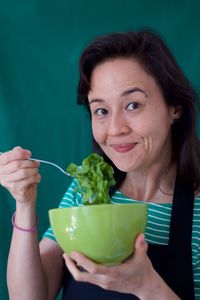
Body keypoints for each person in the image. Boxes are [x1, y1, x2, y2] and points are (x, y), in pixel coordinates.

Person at [0, 29, 200, 300]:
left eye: (133, 105)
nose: (115, 129)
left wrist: (148, 287)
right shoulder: (84, 194)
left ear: (174, 108)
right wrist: (24, 205)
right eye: (101, 111)